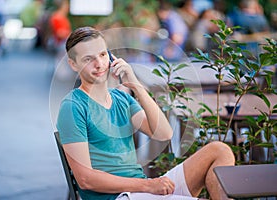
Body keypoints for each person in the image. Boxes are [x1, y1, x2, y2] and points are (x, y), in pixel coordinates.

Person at [56, 27, 235, 200]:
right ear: (73, 64)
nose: (99, 64)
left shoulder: (120, 98)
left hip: (142, 190)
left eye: (102, 55)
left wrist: (136, 86)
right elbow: (85, 179)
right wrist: (148, 186)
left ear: (111, 56)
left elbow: (164, 133)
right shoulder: (73, 106)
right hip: (119, 196)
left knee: (220, 150)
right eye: (88, 59)